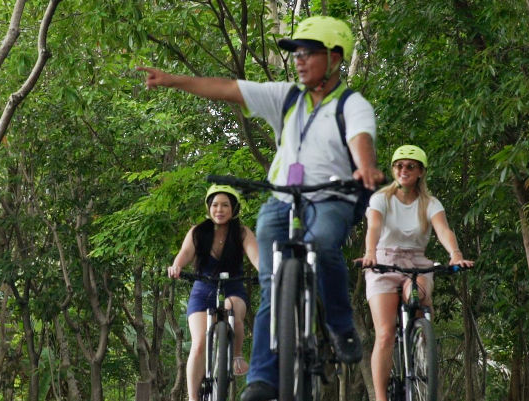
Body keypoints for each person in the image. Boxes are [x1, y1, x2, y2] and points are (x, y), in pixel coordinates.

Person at [142, 15, 384, 401]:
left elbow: (360, 138)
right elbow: (226, 88)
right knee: (272, 285)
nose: (299, 60)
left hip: (332, 197)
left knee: (322, 243)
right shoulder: (286, 96)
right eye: (296, 54)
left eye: (309, 53)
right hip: (281, 200)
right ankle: (262, 379)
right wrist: (174, 80)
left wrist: (366, 167)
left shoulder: (353, 105)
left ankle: (340, 325)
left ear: (335, 58)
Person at [356, 145, 474, 401]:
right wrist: (370, 252)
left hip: (416, 262)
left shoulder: (429, 203)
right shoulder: (381, 199)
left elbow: (443, 230)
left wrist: (455, 254)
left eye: (410, 166)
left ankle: (421, 345)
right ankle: (380, 397)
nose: (404, 170)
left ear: (421, 172)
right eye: (399, 166)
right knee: (385, 332)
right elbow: (373, 226)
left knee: (418, 299)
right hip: (383, 261)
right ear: (393, 170)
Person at [168, 184, 259, 401]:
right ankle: (192, 398)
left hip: (233, 286)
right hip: (203, 287)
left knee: (232, 309)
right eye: (215, 205)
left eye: (225, 205)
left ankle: (236, 355)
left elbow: (258, 259)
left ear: (234, 208)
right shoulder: (198, 231)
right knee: (199, 343)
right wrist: (176, 267)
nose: (219, 210)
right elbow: (184, 254)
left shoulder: (242, 232)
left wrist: (268, 273)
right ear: (209, 208)